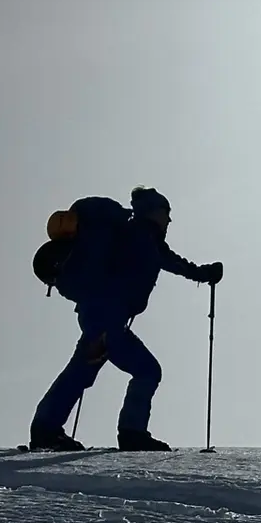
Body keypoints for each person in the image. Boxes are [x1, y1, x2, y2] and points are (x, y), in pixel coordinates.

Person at [29, 187, 222, 452]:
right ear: (155, 212)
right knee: (143, 370)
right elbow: (174, 263)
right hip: (107, 317)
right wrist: (204, 274)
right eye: (167, 214)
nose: (169, 221)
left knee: (84, 371)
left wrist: (202, 273)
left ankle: (47, 429)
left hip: (98, 315)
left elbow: (167, 261)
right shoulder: (142, 236)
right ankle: (128, 433)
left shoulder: (131, 233)